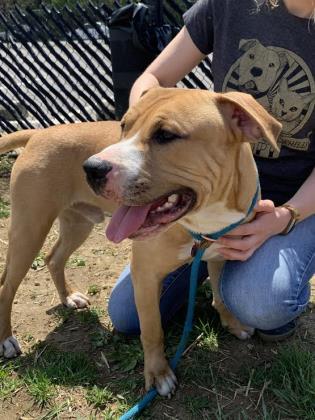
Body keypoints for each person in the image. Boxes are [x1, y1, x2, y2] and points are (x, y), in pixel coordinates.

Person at [108, 0, 315, 341]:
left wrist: (285, 216)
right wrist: (146, 129)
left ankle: (269, 282)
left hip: (295, 200)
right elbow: (154, 77)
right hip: (206, 191)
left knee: (262, 302)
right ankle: (216, 262)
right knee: (127, 315)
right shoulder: (229, 5)